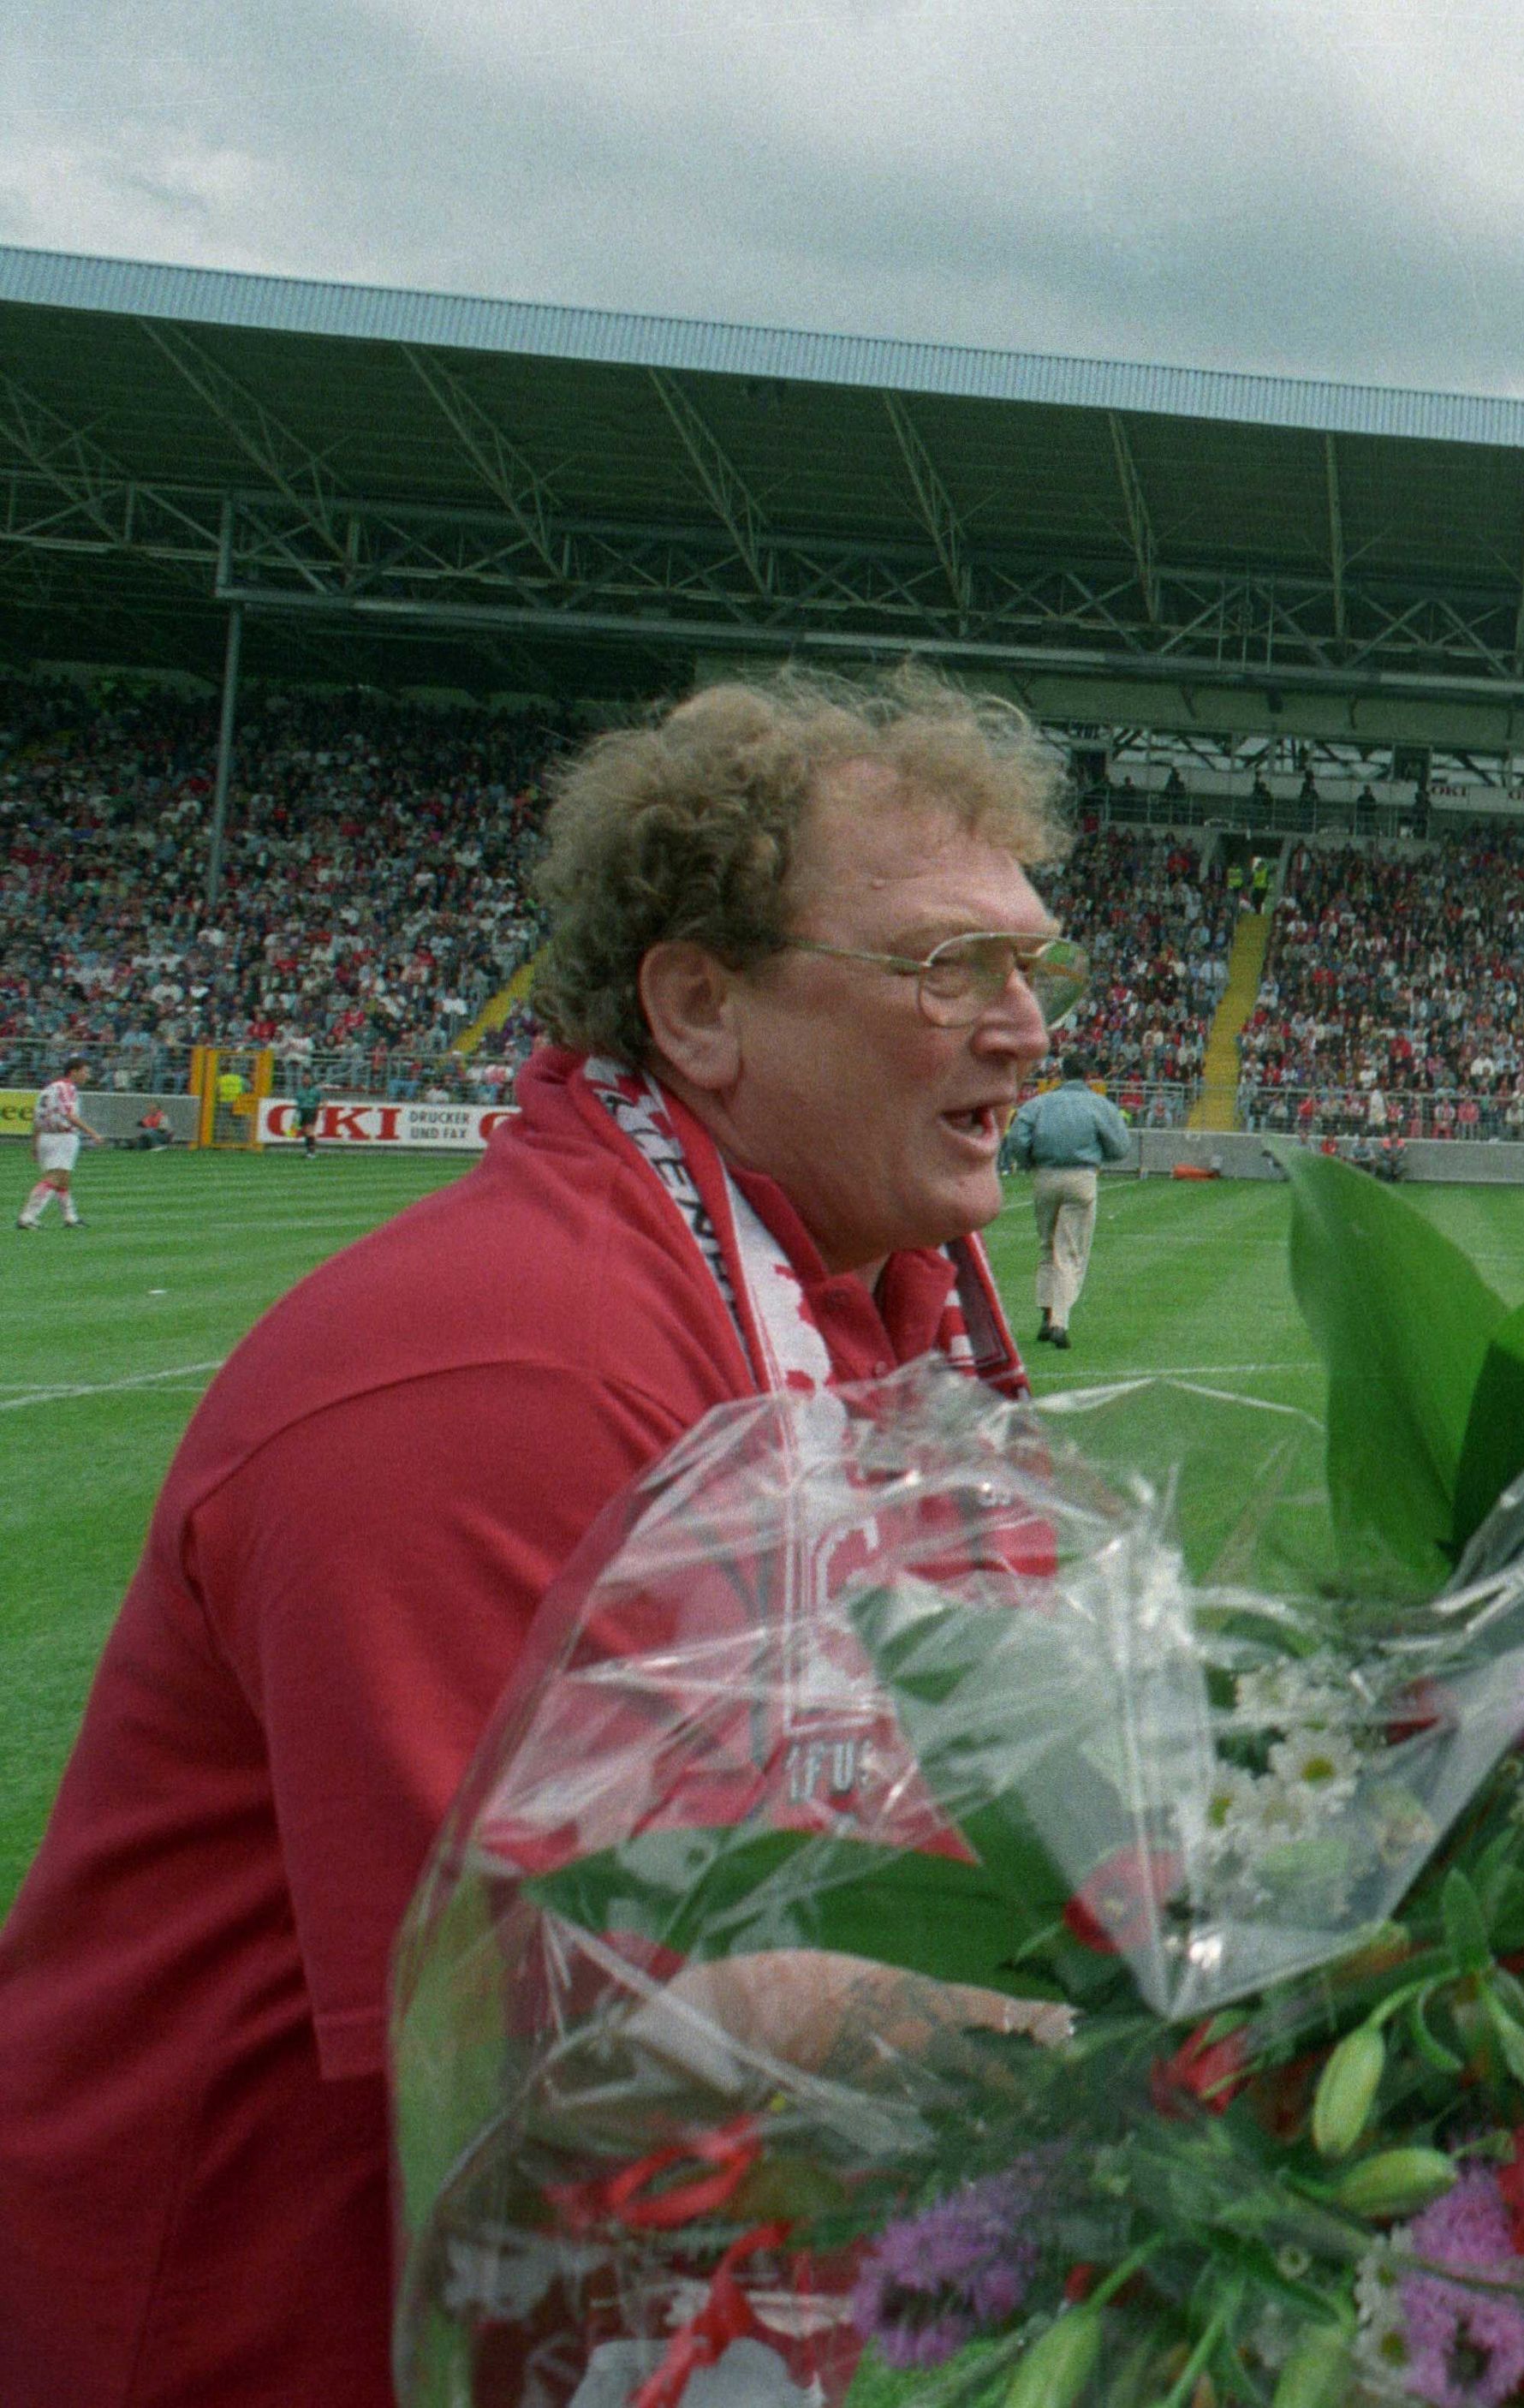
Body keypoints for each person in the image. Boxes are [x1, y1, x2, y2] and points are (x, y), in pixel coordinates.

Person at [0, 669, 1070, 2408]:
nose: (1025, 1025)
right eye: (949, 966)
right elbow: (547, 2031)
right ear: (701, 1004)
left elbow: (1024, 1770)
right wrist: (1173, 2036)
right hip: (267, 2342)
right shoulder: (494, 1361)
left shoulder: (896, 1301)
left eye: (1036, 965)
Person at [1004, 1064, 1140, 1346]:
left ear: (1061, 1075)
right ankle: (1059, 1321)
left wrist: (1029, 1161)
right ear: (1089, 1076)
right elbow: (1120, 1146)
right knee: (1069, 1252)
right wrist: (1099, 1154)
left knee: (1046, 1245)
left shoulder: (1039, 1104)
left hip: (1045, 1175)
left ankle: (1045, 1312)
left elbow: (1017, 1136)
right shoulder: (1098, 1105)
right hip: (1081, 1176)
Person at [21, 1055, 100, 1230]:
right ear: (74, 1072)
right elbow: (69, 1114)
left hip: (46, 1136)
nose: (88, 1076)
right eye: (85, 1072)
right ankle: (27, 1217)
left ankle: (70, 1217)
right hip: (61, 1137)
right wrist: (92, 1133)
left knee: (63, 1179)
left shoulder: (48, 1089)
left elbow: (37, 1119)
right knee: (55, 1178)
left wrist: (34, 1145)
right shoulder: (67, 1088)